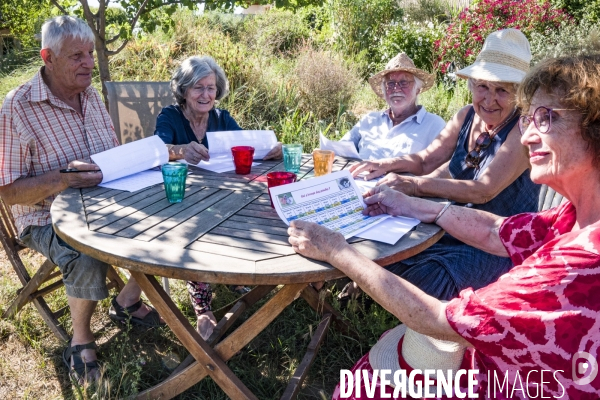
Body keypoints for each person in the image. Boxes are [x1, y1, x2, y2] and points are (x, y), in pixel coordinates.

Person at [289, 54, 600, 398]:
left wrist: (337, 249)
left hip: (511, 382)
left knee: (362, 383)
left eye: (546, 118)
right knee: (393, 255)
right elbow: (494, 231)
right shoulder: (571, 220)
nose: (528, 137)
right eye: (529, 118)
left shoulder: (575, 264)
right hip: (511, 355)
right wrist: (415, 205)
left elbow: (441, 320)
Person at [0, 16, 163, 384]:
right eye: (77, 55)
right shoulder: (18, 107)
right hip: (44, 219)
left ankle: (126, 302)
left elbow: (110, 154)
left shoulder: (89, 94)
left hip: (105, 203)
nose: (88, 62)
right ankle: (81, 340)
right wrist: (62, 178)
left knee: (165, 214)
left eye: (90, 53)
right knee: (85, 251)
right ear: (48, 57)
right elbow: (8, 193)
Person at [343, 29, 540, 302]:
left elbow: (483, 190)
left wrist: (413, 186)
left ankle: (374, 294)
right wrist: (384, 165)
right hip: (450, 228)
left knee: (421, 281)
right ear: (471, 84)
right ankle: (363, 288)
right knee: (376, 248)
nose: (489, 99)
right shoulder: (466, 116)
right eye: (482, 86)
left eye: (502, 90)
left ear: (519, 94)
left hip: (494, 244)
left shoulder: (522, 131)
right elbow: (426, 160)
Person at [154, 55, 282, 340]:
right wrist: (180, 150)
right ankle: (202, 305)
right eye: (198, 87)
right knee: (196, 225)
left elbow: (250, 145)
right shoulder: (171, 116)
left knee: (251, 208)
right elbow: (158, 148)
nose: (206, 94)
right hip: (183, 200)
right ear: (184, 90)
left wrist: (273, 149)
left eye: (211, 88)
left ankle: (232, 274)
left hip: (223, 195)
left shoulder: (222, 118)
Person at [339, 52, 445, 160]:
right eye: (390, 83)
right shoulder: (370, 120)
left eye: (404, 82)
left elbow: (443, 168)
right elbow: (338, 150)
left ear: (417, 89)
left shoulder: (434, 125)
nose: (396, 88)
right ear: (384, 90)